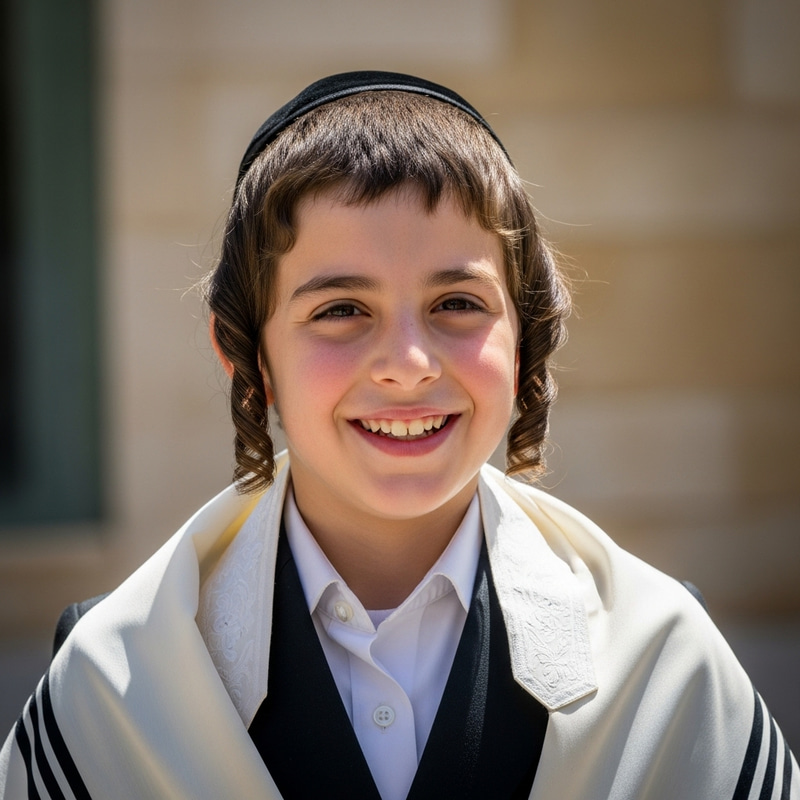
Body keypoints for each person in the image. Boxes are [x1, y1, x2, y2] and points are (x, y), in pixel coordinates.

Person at [0, 71, 796, 800]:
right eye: (340, 310)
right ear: (248, 352)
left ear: (525, 336)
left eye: (458, 304)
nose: (409, 366)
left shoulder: (662, 663)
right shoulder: (115, 681)